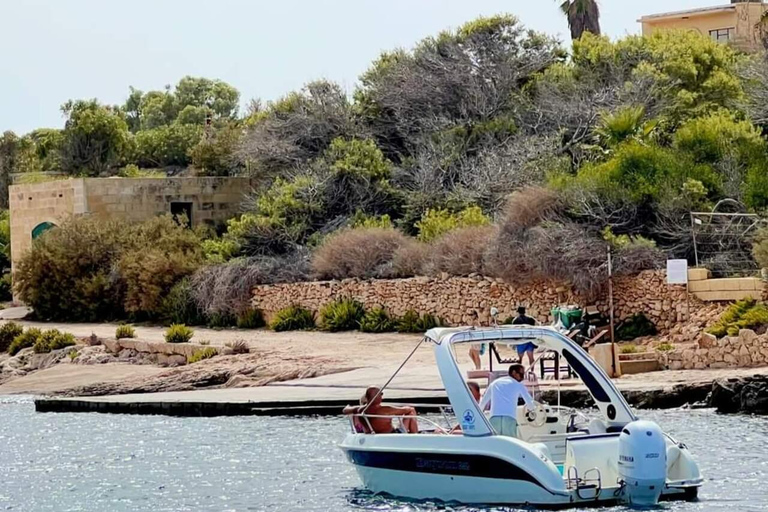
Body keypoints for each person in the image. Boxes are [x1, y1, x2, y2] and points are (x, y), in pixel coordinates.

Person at [479, 363, 535, 438]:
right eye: (521, 374)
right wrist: (532, 411)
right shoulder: (518, 385)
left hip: (494, 418)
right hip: (509, 418)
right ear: (514, 372)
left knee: (495, 444)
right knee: (510, 444)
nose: (522, 377)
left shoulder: (495, 383)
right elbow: (530, 403)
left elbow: (483, 403)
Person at [343, 386, 419, 434]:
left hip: (370, 434)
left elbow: (345, 410)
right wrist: (404, 409)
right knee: (411, 412)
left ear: (367, 397)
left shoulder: (359, 410)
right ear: (378, 397)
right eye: (381, 394)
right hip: (391, 434)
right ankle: (415, 437)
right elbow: (408, 409)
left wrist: (353, 407)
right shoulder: (386, 409)